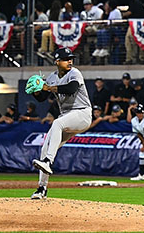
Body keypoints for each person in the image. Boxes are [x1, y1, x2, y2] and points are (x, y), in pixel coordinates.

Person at [29, 47, 93, 200]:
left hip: (82, 113)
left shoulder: (75, 73)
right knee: (45, 147)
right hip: (67, 117)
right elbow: (42, 98)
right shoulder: (51, 77)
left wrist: (47, 87)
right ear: (57, 61)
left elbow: (71, 88)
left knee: (57, 123)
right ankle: (41, 188)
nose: (70, 61)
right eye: (66, 59)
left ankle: (48, 161)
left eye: (71, 58)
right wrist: (36, 91)